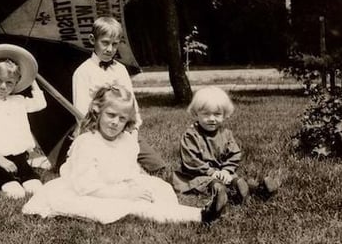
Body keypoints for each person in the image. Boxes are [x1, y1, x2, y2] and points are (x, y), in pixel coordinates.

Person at [22, 85, 227, 224]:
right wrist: (126, 193)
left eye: (121, 118)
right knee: (138, 207)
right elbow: (87, 186)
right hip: (90, 191)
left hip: (118, 184)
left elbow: (129, 170)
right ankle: (200, 215)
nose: (115, 122)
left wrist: (136, 185)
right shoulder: (87, 143)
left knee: (159, 188)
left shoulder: (126, 140)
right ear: (98, 111)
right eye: (110, 115)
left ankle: (171, 212)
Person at [71, 16, 166, 173]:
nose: (110, 49)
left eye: (115, 44)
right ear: (92, 40)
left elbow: (131, 104)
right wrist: (102, 134)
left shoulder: (120, 70)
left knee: (157, 167)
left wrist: (133, 131)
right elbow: (81, 112)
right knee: (107, 171)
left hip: (122, 130)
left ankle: (133, 164)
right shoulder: (83, 72)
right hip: (96, 133)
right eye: (105, 43)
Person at [172, 86, 280, 203]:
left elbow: (234, 153)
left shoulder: (226, 134)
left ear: (224, 114)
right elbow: (191, 160)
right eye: (206, 114)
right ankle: (221, 194)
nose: (212, 119)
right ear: (196, 113)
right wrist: (211, 172)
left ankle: (259, 190)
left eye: (217, 114)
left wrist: (226, 170)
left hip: (221, 172)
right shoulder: (191, 135)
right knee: (211, 183)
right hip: (197, 175)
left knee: (236, 180)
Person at [0, 53, 46, 199]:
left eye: (9, 82)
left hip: (16, 155)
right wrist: (0, 159)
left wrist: (32, 79)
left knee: (36, 188)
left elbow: (40, 104)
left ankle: (19, 176)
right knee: (15, 193)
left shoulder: (18, 100)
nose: (3, 87)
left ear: (17, 82)